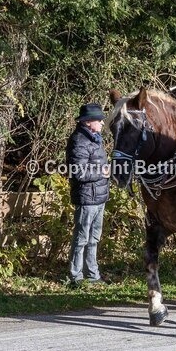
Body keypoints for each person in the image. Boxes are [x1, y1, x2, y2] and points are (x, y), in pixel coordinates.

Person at [67, 103, 110, 287]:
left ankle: (92, 275)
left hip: (99, 197)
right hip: (87, 198)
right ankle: (75, 277)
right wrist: (103, 172)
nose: (102, 122)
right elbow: (79, 172)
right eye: (98, 119)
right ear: (87, 122)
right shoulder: (79, 141)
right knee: (81, 238)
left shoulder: (95, 138)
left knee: (94, 238)